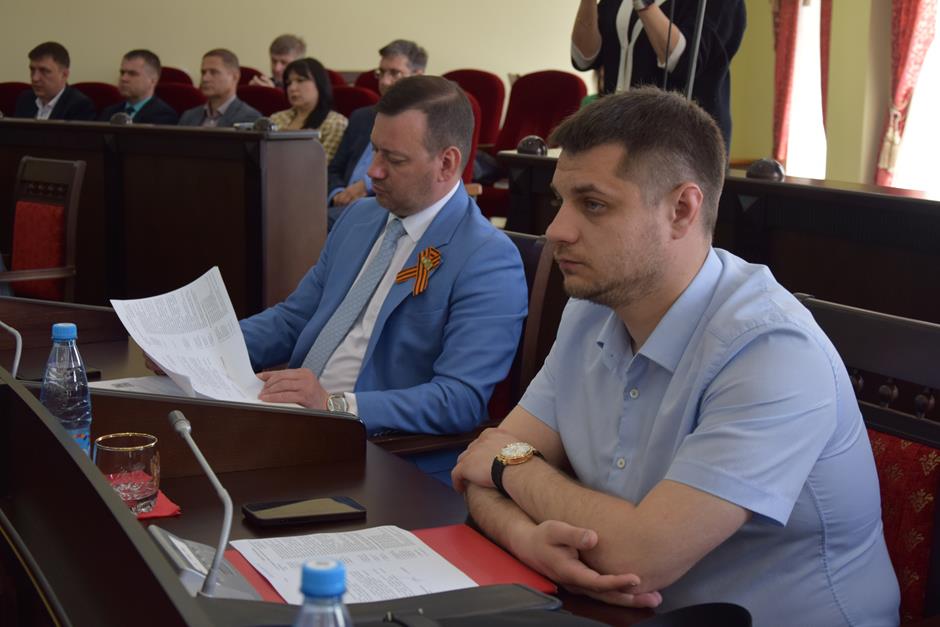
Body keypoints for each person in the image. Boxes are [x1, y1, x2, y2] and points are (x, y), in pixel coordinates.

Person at [452, 88, 900, 625]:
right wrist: (527, 538)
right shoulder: (592, 309)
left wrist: (511, 465)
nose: (556, 231)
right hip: (620, 610)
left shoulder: (772, 351)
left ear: (682, 210)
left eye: (593, 204)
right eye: (560, 201)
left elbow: (639, 557)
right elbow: (476, 470)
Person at [239, 76, 528, 479]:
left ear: (447, 163)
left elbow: (459, 399)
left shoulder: (488, 259)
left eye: (394, 159)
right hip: (298, 424)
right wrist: (205, 346)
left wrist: (335, 404)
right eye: (375, 150)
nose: (373, 171)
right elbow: (294, 318)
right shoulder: (360, 217)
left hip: (384, 454)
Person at [570, 0, 745, 148]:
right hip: (615, 131)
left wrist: (644, 4)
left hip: (681, 140)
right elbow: (584, 58)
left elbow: (683, 61)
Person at [326, 39, 427, 227]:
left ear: (417, 76)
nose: (384, 81)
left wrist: (367, 185)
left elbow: (417, 176)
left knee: (311, 222)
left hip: (386, 206)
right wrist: (338, 194)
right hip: (341, 206)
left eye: (394, 73)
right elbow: (334, 169)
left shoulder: (423, 123)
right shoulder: (361, 117)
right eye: (381, 72)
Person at [270, 58, 348, 161]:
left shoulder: (335, 123)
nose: (292, 88)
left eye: (300, 80)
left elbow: (322, 166)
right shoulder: (277, 119)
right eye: (288, 83)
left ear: (319, 83)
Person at [14, 41, 96, 121]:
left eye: (44, 71)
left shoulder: (79, 106)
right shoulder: (25, 99)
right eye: (32, 70)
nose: (35, 78)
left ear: (64, 75)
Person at [178, 49, 261, 127]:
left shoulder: (250, 118)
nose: (205, 78)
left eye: (213, 72)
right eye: (203, 72)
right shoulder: (188, 117)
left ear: (235, 77)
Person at [98, 49, 178, 124]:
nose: (123, 78)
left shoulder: (164, 116)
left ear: (153, 80)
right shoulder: (109, 112)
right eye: (122, 73)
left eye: (132, 74)